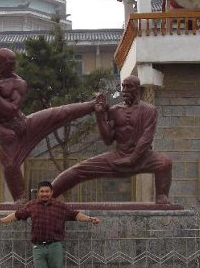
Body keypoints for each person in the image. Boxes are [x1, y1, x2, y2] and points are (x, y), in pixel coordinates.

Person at [0, 48, 100, 203]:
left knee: (57, 114)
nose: (13, 67)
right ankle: (21, 201)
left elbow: (12, 109)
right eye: (9, 63)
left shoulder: (18, 83)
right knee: (10, 166)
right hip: (5, 135)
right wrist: (1, 131)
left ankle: (93, 105)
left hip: (22, 124)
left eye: (14, 63)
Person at [51, 75, 173, 204]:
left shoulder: (149, 110)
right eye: (123, 86)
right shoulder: (115, 110)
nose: (125, 90)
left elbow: (147, 137)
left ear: (137, 89)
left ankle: (161, 196)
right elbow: (108, 139)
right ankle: (48, 195)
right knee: (78, 170)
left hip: (143, 157)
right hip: (118, 157)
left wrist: (133, 158)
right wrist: (99, 116)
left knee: (165, 162)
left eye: (129, 86)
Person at [0, 181, 99, 268]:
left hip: (55, 247)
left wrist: (90, 219)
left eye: (47, 191)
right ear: (38, 193)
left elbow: (75, 215)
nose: (44, 194)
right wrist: (0, 221)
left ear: (51, 192)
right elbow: (17, 215)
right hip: (38, 248)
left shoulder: (60, 206)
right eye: (42, 191)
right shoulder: (32, 205)